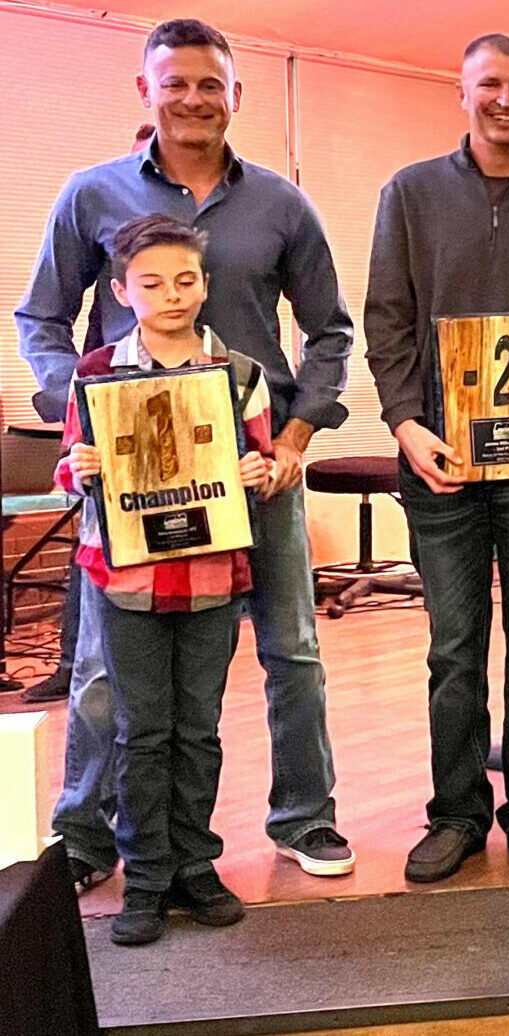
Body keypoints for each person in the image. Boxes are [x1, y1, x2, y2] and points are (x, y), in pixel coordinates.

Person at [15, 18, 357, 882]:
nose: (195, 98)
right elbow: (40, 322)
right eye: (176, 83)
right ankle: (86, 838)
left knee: (293, 651)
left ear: (235, 96)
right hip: (131, 476)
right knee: (99, 670)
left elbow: (329, 332)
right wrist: (84, 416)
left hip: (255, 468)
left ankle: (305, 819)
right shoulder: (92, 195)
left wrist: (293, 436)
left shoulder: (282, 204)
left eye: (212, 84)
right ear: (146, 91)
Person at [364, 33, 509, 884]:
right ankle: (457, 813)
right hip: (442, 469)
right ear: (460, 93)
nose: (506, 100)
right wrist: (404, 422)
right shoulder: (411, 194)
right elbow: (386, 321)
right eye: (489, 85)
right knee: (454, 650)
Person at [55, 214, 274, 945]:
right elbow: (70, 468)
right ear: (123, 290)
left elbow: (264, 465)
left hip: (213, 576)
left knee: (198, 729)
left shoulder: (240, 374)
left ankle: (195, 865)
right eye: (152, 283)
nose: (172, 294)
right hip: (126, 584)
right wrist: (78, 470)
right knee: (139, 729)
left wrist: (258, 470)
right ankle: (145, 876)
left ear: (205, 285)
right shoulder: (96, 375)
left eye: (186, 280)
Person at [20, 122, 161, 709]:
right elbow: (44, 317)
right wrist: (78, 394)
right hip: (113, 413)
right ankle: (73, 663)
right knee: (97, 548)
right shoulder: (94, 201)